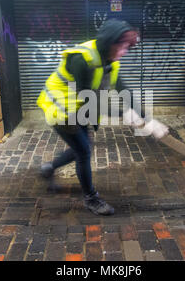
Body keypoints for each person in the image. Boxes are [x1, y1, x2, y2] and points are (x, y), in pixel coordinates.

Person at [36, 19, 167, 216]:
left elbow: (124, 90)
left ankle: (49, 168)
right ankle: (91, 199)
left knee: (82, 146)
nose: (123, 52)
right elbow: (88, 101)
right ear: (108, 42)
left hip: (78, 107)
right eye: (121, 46)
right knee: (84, 152)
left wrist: (147, 119)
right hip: (62, 109)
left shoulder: (109, 60)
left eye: (127, 48)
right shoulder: (83, 60)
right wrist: (123, 114)